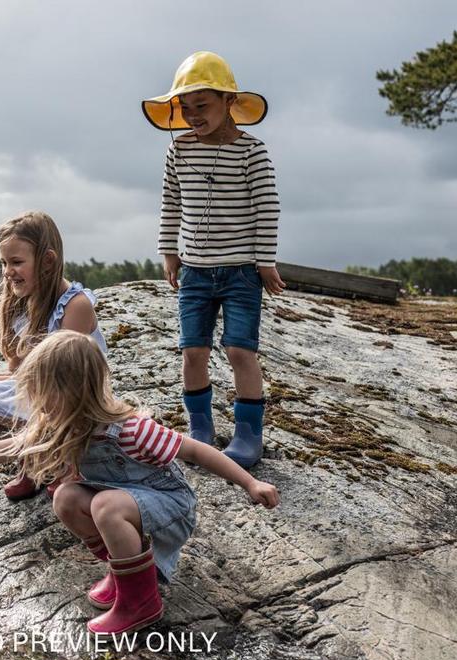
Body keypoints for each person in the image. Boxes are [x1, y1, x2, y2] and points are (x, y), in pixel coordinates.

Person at [0, 331, 279, 635]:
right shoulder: (56, 425)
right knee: (65, 497)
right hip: (127, 504)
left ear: (71, 391)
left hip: (167, 506)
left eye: (41, 394)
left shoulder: (128, 429)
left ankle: (140, 601)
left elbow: (195, 451)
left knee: (104, 505)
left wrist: (249, 483)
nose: (35, 404)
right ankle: (124, 572)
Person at [142, 51, 285, 468]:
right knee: (193, 351)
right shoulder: (179, 151)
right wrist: (169, 251)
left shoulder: (251, 152)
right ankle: (200, 429)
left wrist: (264, 261)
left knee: (241, 351)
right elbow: (170, 203)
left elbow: (267, 207)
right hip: (196, 272)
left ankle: (247, 433)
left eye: (201, 106)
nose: (192, 116)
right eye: (185, 109)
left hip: (241, 272)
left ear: (228, 101)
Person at [0, 210, 107, 500]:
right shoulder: (18, 306)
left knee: (42, 402)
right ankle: (34, 457)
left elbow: (62, 379)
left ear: (47, 261)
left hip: (74, 403)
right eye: (3, 262)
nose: (7, 271)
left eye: (16, 262)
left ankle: (61, 458)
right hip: (40, 394)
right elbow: (21, 373)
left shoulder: (75, 306)